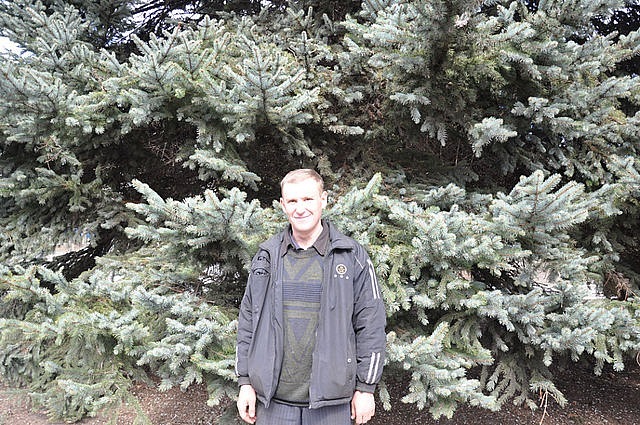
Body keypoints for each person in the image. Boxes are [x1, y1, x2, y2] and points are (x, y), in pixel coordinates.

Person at [235, 169, 386, 425]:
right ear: (283, 205)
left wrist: (366, 388)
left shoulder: (351, 255)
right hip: (273, 404)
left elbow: (371, 324)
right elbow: (248, 321)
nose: (300, 208)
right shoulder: (266, 256)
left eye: (308, 199)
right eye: (292, 201)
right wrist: (245, 382)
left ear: (323, 200)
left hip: (331, 406)